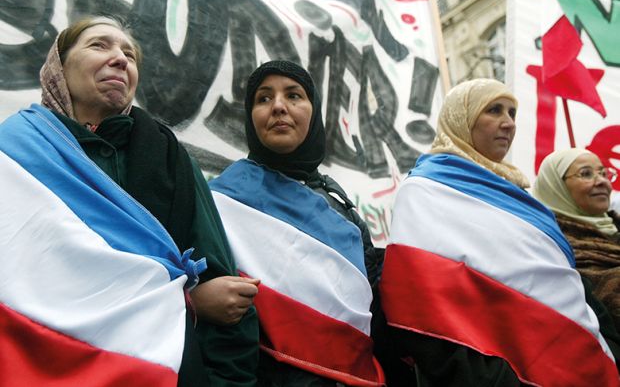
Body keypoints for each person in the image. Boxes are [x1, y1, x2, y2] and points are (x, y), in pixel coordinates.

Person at [0, 16, 258, 386]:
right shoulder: (13, 150)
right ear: (58, 66)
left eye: (129, 54)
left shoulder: (166, 154)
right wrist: (188, 302)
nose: (120, 59)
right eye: (98, 45)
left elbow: (222, 285)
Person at [379, 78, 620, 386]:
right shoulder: (426, 190)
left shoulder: (520, 194)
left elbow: (563, 280)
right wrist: (496, 379)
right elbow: (416, 299)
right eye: (494, 110)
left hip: (575, 365)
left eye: (512, 113)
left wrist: (608, 345)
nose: (508, 123)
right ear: (461, 119)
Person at [208, 60, 385, 386]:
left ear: (314, 112)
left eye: (293, 95)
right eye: (263, 98)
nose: (278, 107)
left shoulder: (344, 211)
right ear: (250, 116)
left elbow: (374, 314)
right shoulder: (218, 201)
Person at [532, 148, 620, 331]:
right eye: (586, 174)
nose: (602, 181)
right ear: (555, 186)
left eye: (604, 173)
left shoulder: (614, 227)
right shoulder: (551, 241)